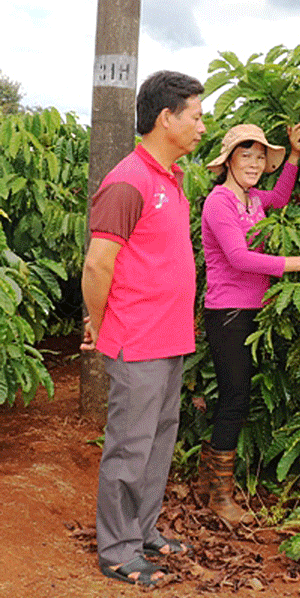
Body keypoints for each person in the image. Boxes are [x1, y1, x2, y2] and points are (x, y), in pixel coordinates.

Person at [81, 70, 206, 587]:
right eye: (195, 117)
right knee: (130, 447)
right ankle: (117, 549)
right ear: (166, 118)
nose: (202, 127)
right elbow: (97, 266)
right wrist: (101, 320)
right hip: (138, 339)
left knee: (158, 442)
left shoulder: (170, 180)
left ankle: (143, 531)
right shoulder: (129, 181)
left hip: (170, 336)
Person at [199, 123, 300, 526]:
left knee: (239, 399)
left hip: (255, 312)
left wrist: (293, 155)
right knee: (234, 400)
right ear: (228, 160)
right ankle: (219, 497)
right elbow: (240, 258)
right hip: (228, 313)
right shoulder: (219, 202)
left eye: (261, 157)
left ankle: (220, 487)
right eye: (247, 156)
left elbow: (279, 197)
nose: (256, 164)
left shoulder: (252, 199)